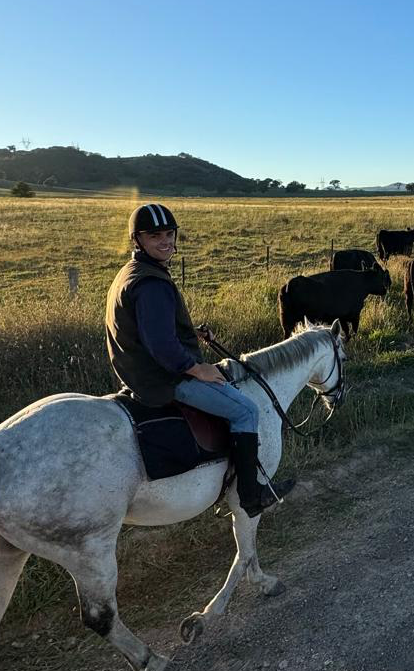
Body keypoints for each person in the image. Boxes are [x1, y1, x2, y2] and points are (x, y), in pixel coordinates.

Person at [104, 202, 294, 516]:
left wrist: (191, 334)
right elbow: (162, 346)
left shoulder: (133, 272)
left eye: (169, 233)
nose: (165, 241)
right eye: (155, 236)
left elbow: (152, 329)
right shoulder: (151, 284)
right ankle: (251, 494)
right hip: (162, 379)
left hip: (139, 372)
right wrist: (196, 368)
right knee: (246, 410)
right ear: (136, 239)